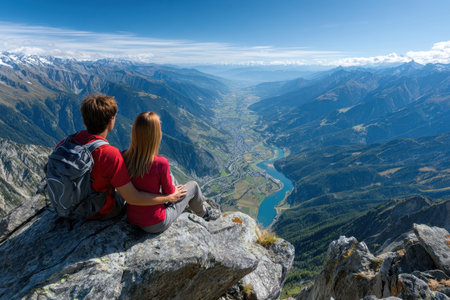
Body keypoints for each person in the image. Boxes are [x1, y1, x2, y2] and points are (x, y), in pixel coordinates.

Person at [63, 94, 186, 220]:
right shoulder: (110, 155)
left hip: (69, 205)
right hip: (100, 210)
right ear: (111, 121)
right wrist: (169, 198)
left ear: (84, 120)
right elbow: (133, 198)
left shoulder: (67, 142)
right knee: (165, 179)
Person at [123, 111, 220, 233]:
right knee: (193, 186)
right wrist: (174, 189)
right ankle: (204, 214)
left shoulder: (124, 156)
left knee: (170, 176)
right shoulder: (160, 163)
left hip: (132, 217)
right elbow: (170, 193)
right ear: (156, 135)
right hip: (155, 223)